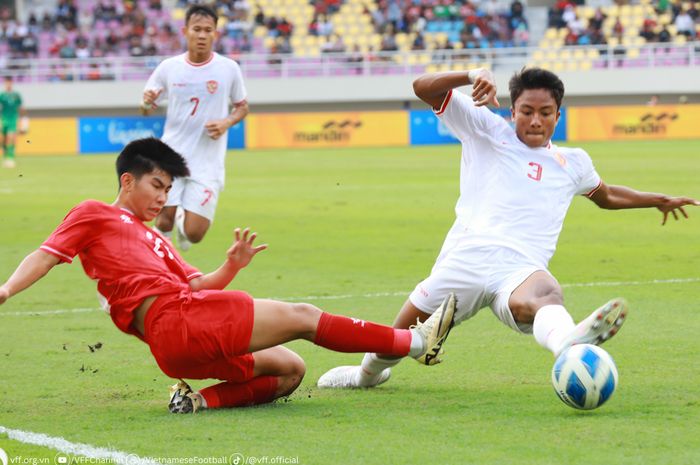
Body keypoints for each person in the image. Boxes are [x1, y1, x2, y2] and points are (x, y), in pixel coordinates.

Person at [0, 137, 455, 414]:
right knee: (301, 315)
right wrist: (5, 289)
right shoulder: (94, 213)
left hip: (177, 346)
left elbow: (198, 285)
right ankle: (415, 343)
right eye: (156, 187)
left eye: (168, 190)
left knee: (290, 371)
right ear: (126, 182)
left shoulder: (156, 240)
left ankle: (198, 401)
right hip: (176, 321)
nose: (163, 199)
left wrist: (231, 266)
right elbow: (45, 255)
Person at [317, 67, 700, 389]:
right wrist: (471, 74)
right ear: (512, 110)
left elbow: (607, 195)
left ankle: (567, 343)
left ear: (559, 114)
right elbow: (422, 88)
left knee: (547, 292)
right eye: (527, 111)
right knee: (396, 342)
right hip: (464, 261)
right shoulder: (485, 128)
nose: (536, 120)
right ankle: (366, 375)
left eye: (546, 112)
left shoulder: (574, 162)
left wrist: (658, 199)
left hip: (520, 268)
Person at [140, 4, 249, 251]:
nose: (201, 35)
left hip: (208, 163)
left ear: (215, 34)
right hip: (171, 156)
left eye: (207, 30)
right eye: (196, 29)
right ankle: (161, 274)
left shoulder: (228, 68)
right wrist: (146, 103)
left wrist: (226, 122)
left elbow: (242, 107)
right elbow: (146, 109)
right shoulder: (169, 67)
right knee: (163, 219)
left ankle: (182, 221)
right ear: (185, 30)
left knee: (195, 233)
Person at [0, 76, 28, 169]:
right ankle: (6, 155)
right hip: (3, 119)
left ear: (12, 83)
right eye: (6, 83)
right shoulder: (2, 95)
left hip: (13, 119)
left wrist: (24, 122)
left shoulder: (16, 95)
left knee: (10, 137)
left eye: (9, 82)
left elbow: (21, 108)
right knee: (2, 140)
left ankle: (10, 158)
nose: (8, 84)